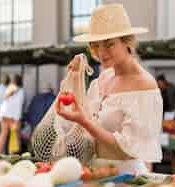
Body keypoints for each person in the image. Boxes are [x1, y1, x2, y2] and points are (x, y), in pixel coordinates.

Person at [55, 4, 163, 174]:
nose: (101, 52)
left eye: (109, 44)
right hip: (96, 172)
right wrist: (76, 79)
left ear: (127, 41)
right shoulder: (104, 77)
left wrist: (85, 122)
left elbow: (128, 148)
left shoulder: (144, 85)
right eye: (95, 46)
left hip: (126, 177)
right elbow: (84, 118)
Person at [0, 74, 25, 154]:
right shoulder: (21, 91)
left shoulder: (7, 89)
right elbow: (19, 105)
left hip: (4, 115)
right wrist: (17, 118)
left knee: (3, 135)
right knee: (15, 136)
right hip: (13, 116)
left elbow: (4, 102)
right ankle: (14, 155)